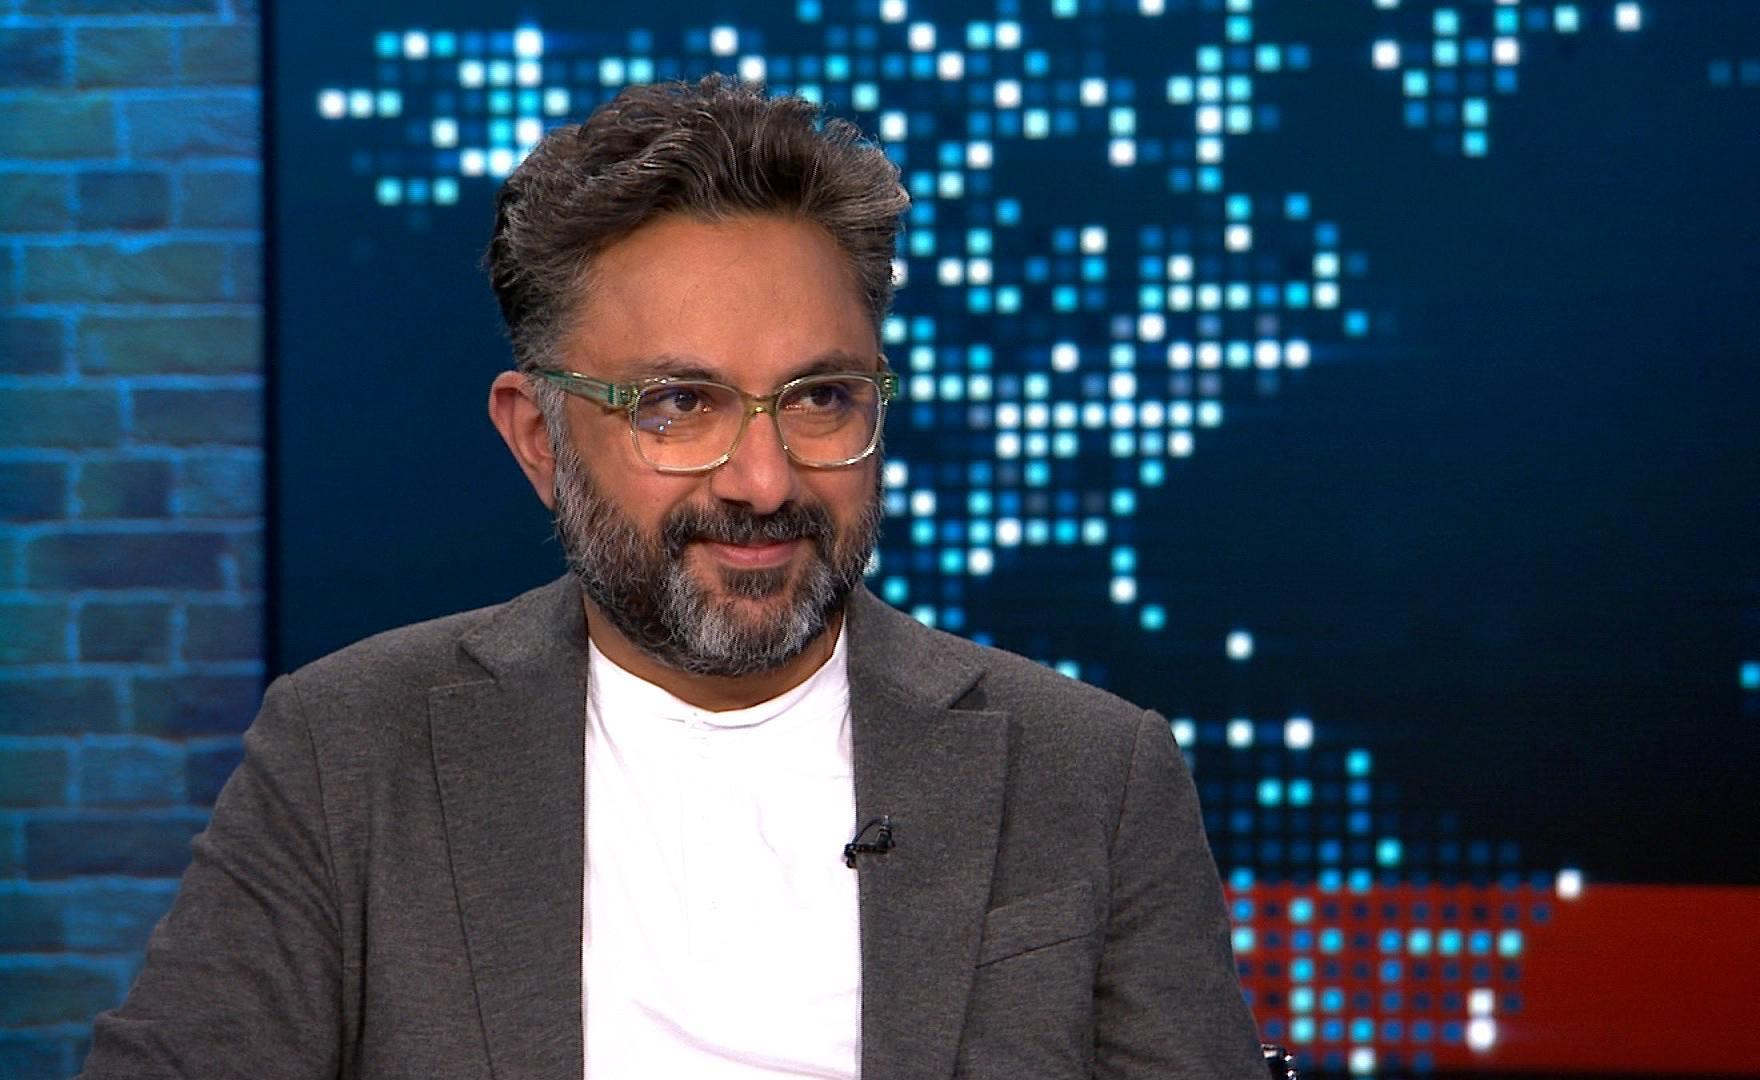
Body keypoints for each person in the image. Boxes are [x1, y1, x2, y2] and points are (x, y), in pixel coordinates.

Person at [77, 76, 1266, 1079]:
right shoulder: (347, 751)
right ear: (539, 441)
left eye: (821, 397)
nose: (763, 478)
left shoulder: (1096, 775)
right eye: (678, 405)